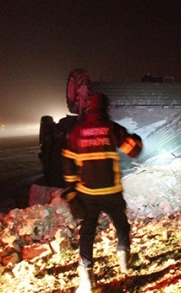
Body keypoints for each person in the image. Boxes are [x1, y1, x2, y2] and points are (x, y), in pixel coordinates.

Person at [61, 93, 143, 292]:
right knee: (121, 225)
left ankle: (86, 281)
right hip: (111, 192)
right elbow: (134, 150)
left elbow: (67, 162)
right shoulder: (111, 128)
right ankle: (124, 259)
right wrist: (136, 138)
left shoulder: (77, 131)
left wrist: (72, 189)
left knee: (87, 233)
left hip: (87, 193)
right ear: (105, 108)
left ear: (88, 108)